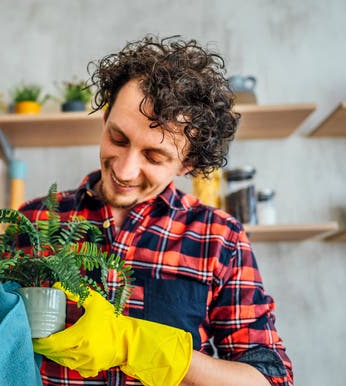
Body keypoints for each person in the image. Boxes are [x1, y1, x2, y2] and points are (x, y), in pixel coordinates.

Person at [18, 35, 293, 386]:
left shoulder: (220, 239)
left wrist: (136, 344)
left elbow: (270, 380)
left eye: (154, 156)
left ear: (187, 164)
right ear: (104, 120)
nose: (125, 169)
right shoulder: (33, 221)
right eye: (118, 138)